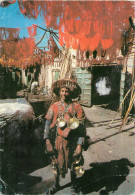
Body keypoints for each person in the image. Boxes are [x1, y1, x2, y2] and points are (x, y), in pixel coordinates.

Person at [44, 79, 86, 194]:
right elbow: (47, 123)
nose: (64, 94)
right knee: (55, 163)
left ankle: (73, 185)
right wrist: (47, 141)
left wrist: (79, 145)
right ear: (59, 92)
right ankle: (56, 185)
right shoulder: (54, 106)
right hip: (57, 140)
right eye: (62, 91)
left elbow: (82, 129)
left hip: (72, 141)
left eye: (67, 92)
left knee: (74, 162)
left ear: (71, 93)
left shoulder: (77, 107)